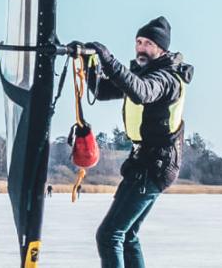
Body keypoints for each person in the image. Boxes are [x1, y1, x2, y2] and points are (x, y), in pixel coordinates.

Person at [80, 16, 195, 268]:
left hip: (155, 163)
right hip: (147, 161)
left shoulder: (166, 78)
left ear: (161, 48)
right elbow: (101, 91)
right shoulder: (143, 74)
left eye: (147, 44)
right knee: (128, 236)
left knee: (109, 235)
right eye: (138, 42)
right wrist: (88, 63)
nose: (140, 48)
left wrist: (108, 60)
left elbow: (141, 91)